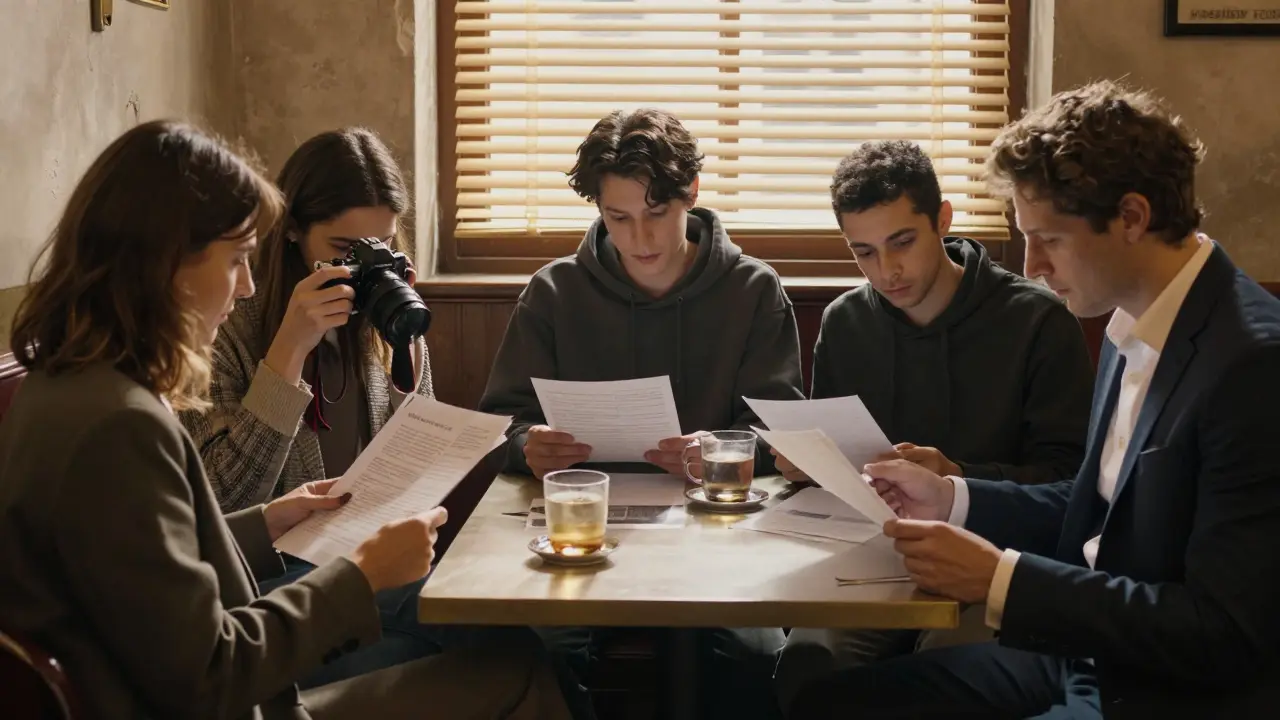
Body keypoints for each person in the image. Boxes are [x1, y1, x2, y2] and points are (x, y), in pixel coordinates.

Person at [0, 120, 570, 719]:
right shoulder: (119, 426)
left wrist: (269, 520)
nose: (247, 286)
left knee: (497, 634)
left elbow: (151, 570)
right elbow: (210, 674)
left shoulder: (63, 386)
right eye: (237, 260)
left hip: (219, 644)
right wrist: (360, 575)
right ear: (166, 262)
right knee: (514, 664)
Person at [789, 81, 1280, 719]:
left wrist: (1002, 582)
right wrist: (954, 498)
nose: (1032, 264)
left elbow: (1224, 635)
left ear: (1131, 218)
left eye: (1048, 238)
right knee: (828, 703)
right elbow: (1094, 513)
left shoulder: (1252, 365)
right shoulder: (1134, 324)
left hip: (1155, 687)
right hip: (1081, 652)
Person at [479, 108, 806, 720]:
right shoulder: (554, 292)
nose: (641, 239)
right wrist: (526, 446)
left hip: (720, 537)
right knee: (536, 650)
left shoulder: (753, 290)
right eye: (618, 218)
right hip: (581, 536)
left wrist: (724, 450)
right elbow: (499, 423)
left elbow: (781, 433)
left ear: (692, 195)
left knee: (753, 653)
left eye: (657, 214)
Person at [178, 127, 533, 690]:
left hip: (363, 563)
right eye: (345, 251)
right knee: (489, 646)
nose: (364, 267)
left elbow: (416, 461)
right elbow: (224, 503)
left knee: (505, 628)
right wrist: (290, 349)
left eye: (382, 246)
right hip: (267, 581)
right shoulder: (230, 326)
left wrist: (405, 348)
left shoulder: (383, 314)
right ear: (292, 231)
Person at [772, 141, 1093, 702]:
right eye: (863, 253)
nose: (887, 271)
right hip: (873, 560)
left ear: (941, 220)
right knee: (808, 662)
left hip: (993, 560)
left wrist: (960, 478)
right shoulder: (846, 322)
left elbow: (1073, 483)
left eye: (902, 242)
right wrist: (809, 466)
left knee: (945, 673)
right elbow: (837, 463)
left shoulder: (1037, 321)